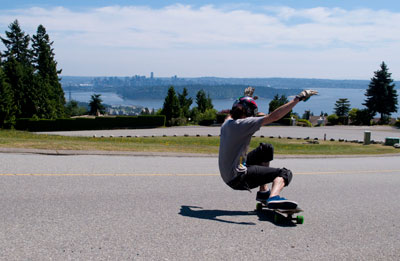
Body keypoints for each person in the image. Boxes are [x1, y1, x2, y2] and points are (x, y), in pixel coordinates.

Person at [218, 89, 318, 209]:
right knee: (284, 173)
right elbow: (274, 116)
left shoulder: (227, 123)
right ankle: (273, 197)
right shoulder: (244, 124)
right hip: (238, 178)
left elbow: (231, 113)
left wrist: (246, 98)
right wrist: (298, 98)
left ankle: (263, 192)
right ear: (250, 113)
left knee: (266, 149)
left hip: (230, 173)